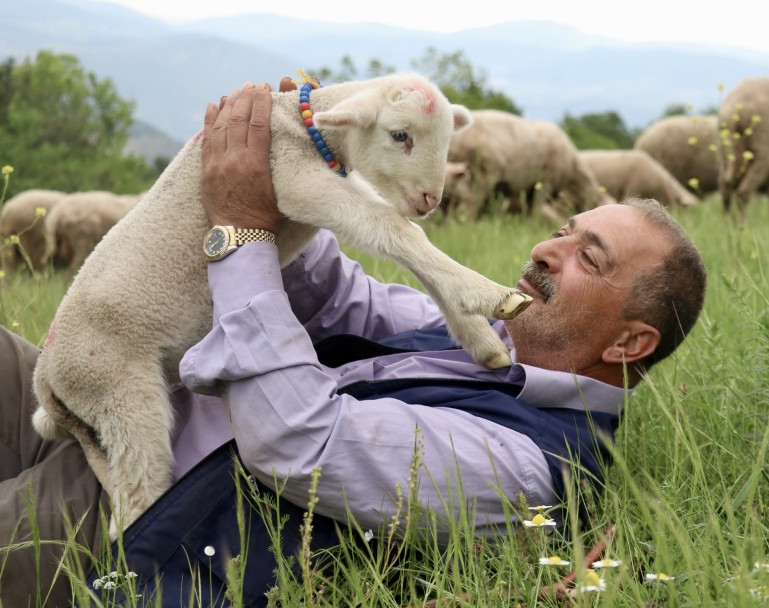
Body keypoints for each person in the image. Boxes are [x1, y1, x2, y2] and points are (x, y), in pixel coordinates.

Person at [0, 81, 706, 606]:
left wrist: (241, 228)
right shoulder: (492, 341)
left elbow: (295, 440)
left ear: (628, 343)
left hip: (137, 507)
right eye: (566, 230)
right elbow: (340, 299)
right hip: (131, 387)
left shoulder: (521, 463)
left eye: (592, 258)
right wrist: (288, 174)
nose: (550, 250)